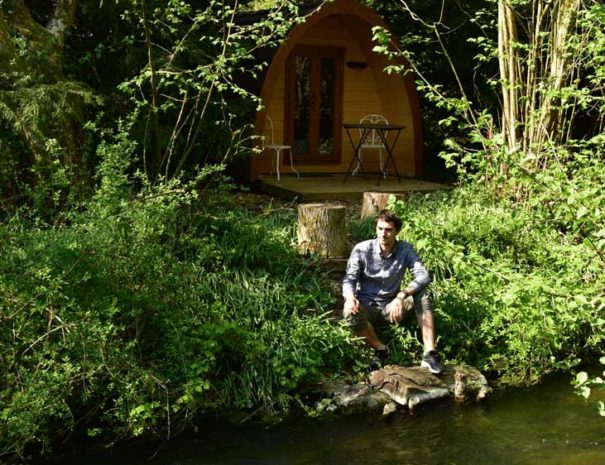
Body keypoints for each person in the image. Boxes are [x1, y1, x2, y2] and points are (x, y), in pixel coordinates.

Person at [342, 209, 444, 374]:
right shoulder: (362, 249)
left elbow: (423, 275)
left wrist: (401, 295)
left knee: (423, 294)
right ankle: (381, 349)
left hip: (392, 308)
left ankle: (430, 353)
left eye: (388, 230)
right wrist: (349, 297)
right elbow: (350, 278)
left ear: (397, 231)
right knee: (349, 311)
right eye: (380, 229)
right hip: (366, 307)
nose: (384, 234)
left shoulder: (405, 249)